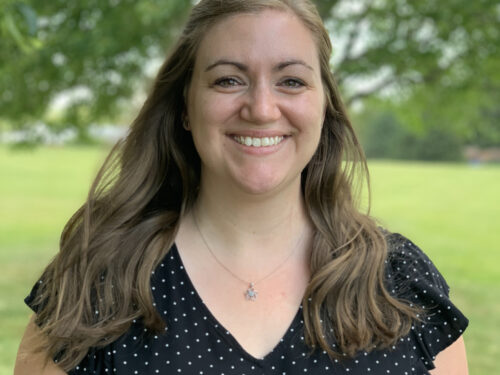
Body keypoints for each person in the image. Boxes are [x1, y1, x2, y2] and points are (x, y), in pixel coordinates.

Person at [14, 0, 469, 374]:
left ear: (324, 107)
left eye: (291, 81)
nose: (262, 108)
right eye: (228, 80)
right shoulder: (93, 284)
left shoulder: (402, 285)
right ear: (186, 107)